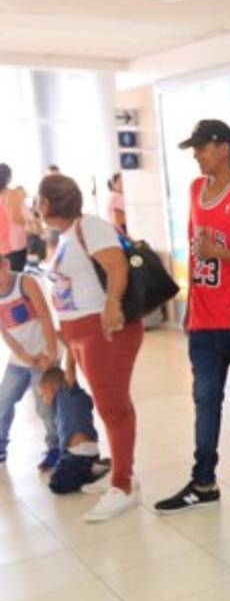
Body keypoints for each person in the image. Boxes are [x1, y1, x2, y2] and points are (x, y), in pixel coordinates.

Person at [154, 120, 230, 513]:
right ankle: (203, 481)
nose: (195, 155)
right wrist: (190, 307)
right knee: (206, 401)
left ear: (223, 148)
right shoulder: (194, 191)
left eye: (201, 147)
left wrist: (221, 253)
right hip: (205, 321)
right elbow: (195, 253)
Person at [39, 173, 144, 523]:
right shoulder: (67, 236)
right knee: (109, 404)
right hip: (81, 336)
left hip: (104, 331)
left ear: (47, 203)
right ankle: (122, 474)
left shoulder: (91, 226)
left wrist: (112, 304)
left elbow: (116, 265)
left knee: (113, 408)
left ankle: (123, 484)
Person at [0, 251, 58, 469]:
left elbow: (45, 316)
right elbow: (4, 331)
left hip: (44, 354)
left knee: (45, 406)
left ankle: (55, 449)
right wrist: (24, 356)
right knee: (3, 401)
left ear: (5, 265)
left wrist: (51, 354)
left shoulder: (25, 282)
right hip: (20, 358)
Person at [40, 364, 110, 494]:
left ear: (49, 389)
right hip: (85, 454)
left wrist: (71, 349)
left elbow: (70, 371)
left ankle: (97, 473)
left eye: (43, 395)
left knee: (56, 484)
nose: (43, 400)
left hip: (79, 456)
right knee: (60, 468)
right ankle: (94, 468)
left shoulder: (66, 395)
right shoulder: (66, 403)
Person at [0, 164, 29, 271]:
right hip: (18, 244)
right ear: (9, 179)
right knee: (16, 277)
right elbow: (28, 217)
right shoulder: (16, 195)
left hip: (3, 248)